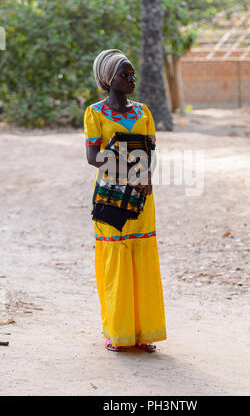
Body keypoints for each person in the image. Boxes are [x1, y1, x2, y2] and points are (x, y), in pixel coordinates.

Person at [84, 49, 167, 352]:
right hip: (111, 196)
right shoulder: (95, 113)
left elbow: (152, 151)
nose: (132, 78)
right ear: (108, 79)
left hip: (143, 195)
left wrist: (147, 177)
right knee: (115, 261)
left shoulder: (142, 112)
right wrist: (132, 173)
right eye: (125, 74)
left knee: (142, 256)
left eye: (132, 73)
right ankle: (117, 332)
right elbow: (93, 157)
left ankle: (145, 332)